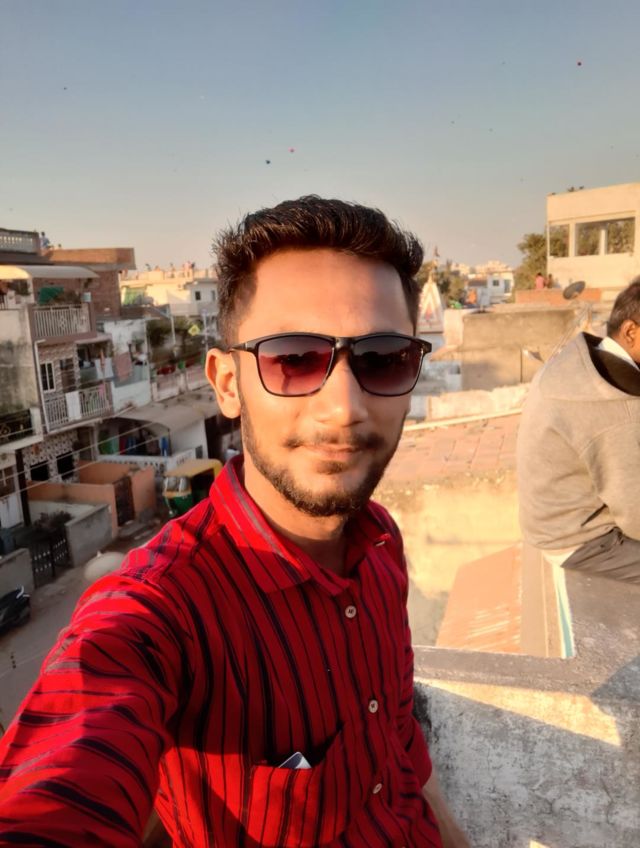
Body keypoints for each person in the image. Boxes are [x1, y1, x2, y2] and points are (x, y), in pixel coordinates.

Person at [0, 196, 469, 847]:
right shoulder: (165, 609)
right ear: (226, 383)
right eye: (293, 358)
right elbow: (65, 763)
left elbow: (399, 743)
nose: (344, 407)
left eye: (382, 358)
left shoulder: (381, 543)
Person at [517, 278, 640, 583]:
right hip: (579, 539)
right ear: (630, 332)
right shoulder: (615, 407)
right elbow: (636, 518)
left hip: (550, 517)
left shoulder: (582, 361)